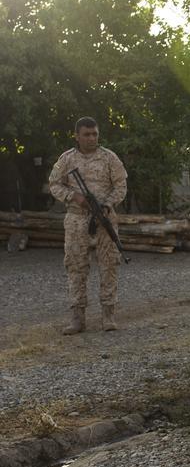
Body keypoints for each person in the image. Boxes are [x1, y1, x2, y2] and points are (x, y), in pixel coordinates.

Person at [47, 117, 128, 334]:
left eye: (94, 134)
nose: (91, 138)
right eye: (87, 134)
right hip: (76, 219)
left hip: (104, 218)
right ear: (77, 135)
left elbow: (121, 185)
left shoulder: (109, 158)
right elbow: (54, 184)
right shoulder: (67, 159)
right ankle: (77, 318)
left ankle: (108, 315)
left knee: (109, 264)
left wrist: (108, 204)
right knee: (76, 266)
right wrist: (74, 197)